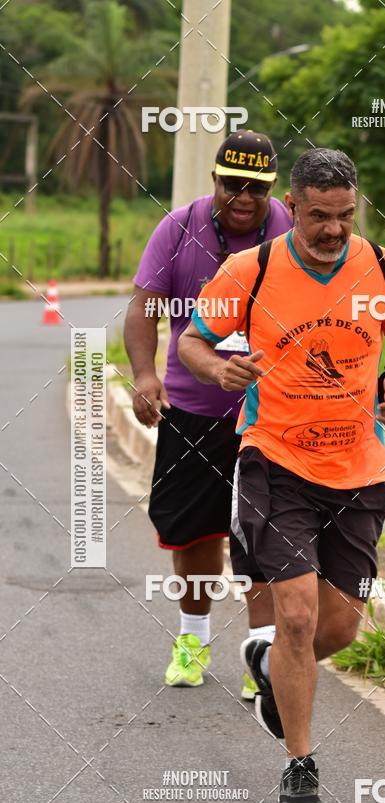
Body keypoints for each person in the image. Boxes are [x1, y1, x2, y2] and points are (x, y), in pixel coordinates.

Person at [178, 148, 385, 803]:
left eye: (346, 215)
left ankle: (273, 667)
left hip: (358, 470)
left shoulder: (383, 268)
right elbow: (193, 341)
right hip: (275, 462)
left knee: (338, 628)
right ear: (293, 205)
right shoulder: (251, 270)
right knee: (294, 614)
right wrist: (217, 370)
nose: (333, 229)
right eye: (319, 216)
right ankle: (299, 761)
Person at [124, 130, 291, 693]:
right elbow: (145, 308)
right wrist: (146, 376)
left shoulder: (289, 233)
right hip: (193, 411)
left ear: (273, 190)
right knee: (195, 535)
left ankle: (261, 654)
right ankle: (192, 640)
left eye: (256, 188)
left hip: (273, 416)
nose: (242, 197)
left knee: (263, 534)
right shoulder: (177, 228)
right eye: (232, 185)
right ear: (214, 181)